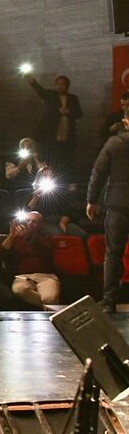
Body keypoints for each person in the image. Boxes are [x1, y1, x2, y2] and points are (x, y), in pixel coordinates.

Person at [87, 120, 129, 312]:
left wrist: (91, 200)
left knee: (113, 253)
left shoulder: (114, 143)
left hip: (118, 205)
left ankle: (109, 301)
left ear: (125, 121)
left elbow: (98, 172)